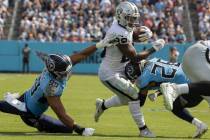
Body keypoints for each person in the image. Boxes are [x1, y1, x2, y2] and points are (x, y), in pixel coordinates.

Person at [0, 38, 111, 135]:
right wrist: (80, 129)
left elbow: (82, 55)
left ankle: (11, 100)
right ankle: (40, 125)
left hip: (25, 98)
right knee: (68, 128)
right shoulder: (51, 86)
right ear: (55, 73)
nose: (67, 73)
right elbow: (61, 114)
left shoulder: (58, 66)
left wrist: (99, 45)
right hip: (31, 115)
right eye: (64, 72)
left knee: (4, 105)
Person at [94, 1, 165, 137]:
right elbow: (136, 57)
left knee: (130, 97)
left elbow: (132, 34)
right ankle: (143, 130)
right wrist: (154, 48)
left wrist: (143, 33)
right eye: (130, 18)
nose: (132, 21)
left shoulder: (121, 25)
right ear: (121, 16)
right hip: (110, 73)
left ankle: (102, 105)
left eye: (134, 18)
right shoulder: (118, 32)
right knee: (133, 97)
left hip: (123, 68)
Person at [160, 40, 210, 138]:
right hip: (199, 55)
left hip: (195, 57)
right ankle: (175, 89)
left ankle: (200, 126)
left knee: (175, 106)